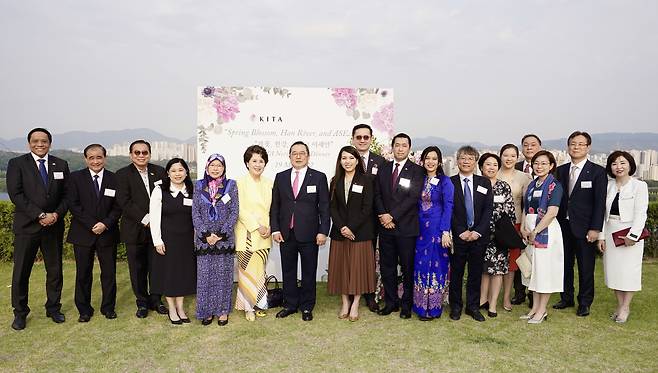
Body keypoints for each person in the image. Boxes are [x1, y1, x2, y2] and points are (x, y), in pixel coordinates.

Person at [7, 128, 70, 330]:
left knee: (54, 271)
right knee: (21, 272)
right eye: (35, 141)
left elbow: (67, 196)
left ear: (50, 143)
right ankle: (20, 313)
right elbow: (16, 194)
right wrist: (40, 215)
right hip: (27, 227)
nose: (40, 144)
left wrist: (56, 215)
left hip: (54, 226)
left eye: (44, 141)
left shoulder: (60, 164)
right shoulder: (17, 164)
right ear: (29, 143)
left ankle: (53, 308)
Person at [271, 141, 330, 322]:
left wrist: (323, 231)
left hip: (310, 234)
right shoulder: (280, 177)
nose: (298, 156)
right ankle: (290, 304)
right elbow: (275, 206)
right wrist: (275, 229)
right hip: (286, 234)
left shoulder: (319, 177)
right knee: (288, 271)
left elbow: (325, 208)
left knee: (308, 272)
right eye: (294, 153)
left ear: (308, 156)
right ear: (289, 156)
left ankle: (306, 306)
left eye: (302, 153)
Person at [66, 144, 121, 322]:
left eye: (99, 157)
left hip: (107, 233)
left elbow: (118, 206)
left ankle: (108, 307)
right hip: (83, 233)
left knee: (109, 273)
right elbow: (73, 205)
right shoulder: (75, 178)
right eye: (91, 157)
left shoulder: (115, 179)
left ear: (105, 158)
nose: (95, 161)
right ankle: (84, 309)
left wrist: (105, 224)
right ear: (86, 159)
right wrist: (92, 224)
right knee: (83, 273)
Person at [555, 131, 606, 317]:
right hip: (563, 226)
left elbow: (600, 203)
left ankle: (584, 302)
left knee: (586, 267)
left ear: (588, 147)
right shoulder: (560, 170)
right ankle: (566, 297)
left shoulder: (597, 171)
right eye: (572, 144)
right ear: (568, 147)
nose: (576, 147)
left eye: (580, 144)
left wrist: (595, 228)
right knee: (565, 264)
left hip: (585, 228)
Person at [374, 133, 424, 319]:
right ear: (392, 147)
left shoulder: (417, 170)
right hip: (385, 228)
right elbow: (377, 194)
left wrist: (392, 216)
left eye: (404, 145)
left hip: (406, 228)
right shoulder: (384, 168)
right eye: (397, 145)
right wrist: (383, 216)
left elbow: (413, 197)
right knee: (387, 267)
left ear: (409, 148)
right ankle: (391, 302)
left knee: (407, 267)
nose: (400, 148)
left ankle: (406, 304)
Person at [116, 140, 167, 318]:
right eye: (137, 152)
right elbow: (124, 201)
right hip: (134, 229)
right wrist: (146, 219)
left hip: (157, 231)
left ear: (149, 154)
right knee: (137, 269)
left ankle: (156, 300)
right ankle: (142, 303)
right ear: (131, 155)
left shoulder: (159, 172)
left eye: (144, 152)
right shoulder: (122, 174)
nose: (141, 155)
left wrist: (157, 221)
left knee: (156, 267)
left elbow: (165, 197)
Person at [597, 151, 649, 323]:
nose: (618, 167)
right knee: (614, 272)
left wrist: (633, 235)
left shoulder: (639, 186)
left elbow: (641, 214)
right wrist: (601, 237)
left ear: (630, 165)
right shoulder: (608, 185)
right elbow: (602, 214)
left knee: (629, 272)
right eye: (614, 164)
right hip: (611, 231)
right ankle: (619, 305)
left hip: (629, 233)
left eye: (622, 163)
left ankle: (626, 307)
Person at [327, 146, 376, 322]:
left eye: (351, 158)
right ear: (340, 161)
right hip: (340, 233)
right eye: (344, 158)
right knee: (341, 268)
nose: (347, 161)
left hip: (360, 232)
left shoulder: (367, 180)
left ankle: (355, 303)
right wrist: (342, 227)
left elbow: (367, 208)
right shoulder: (335, 181)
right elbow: (331, 207)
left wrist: (351, 228)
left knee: (357, 269)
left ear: (357, 160)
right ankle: (345, 303)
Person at [192, 154, 239, 326]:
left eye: (219, 165)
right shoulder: (198, 186)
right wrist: (206, 234)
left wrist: (220, 234)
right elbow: (195, 212)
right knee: (205, 277)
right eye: (212, 165)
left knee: (223, 277)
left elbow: (235, 212)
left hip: (224, 240)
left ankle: (222, 311)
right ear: (207, 167)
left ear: (224, 168)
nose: (216, 168)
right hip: (204, 240)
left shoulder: (230, 185)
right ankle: (206, 311)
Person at [449, 145, 494, 322]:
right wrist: (460, 231)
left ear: (475, 162)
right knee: (457, 274)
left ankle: (473, 307)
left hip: (478, 238)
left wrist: (477, 232)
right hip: (458, 237)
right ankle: (456, 306)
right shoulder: (449, 182)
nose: (466, 161)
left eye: (470, 158)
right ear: (457, 161)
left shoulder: (484, 183)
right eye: (462, 158)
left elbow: (488, 210)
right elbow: (448, 209)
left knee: (475, 274)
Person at [150, 158, 197, 324]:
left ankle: (181, 308)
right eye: (174, 170)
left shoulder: (192, 190)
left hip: (186, 240)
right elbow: (154, 217)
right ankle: (172, 308)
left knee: (182, 273)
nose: (178, 173)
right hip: (167, 240)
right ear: (168, 173)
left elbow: (196, 217)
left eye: (181, 170)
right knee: (169, 274)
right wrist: (157, 241)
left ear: (186, 172)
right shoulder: (159, 190)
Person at [520, 150, 564, 324]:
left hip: (545, 231)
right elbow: (525, 208)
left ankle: (542, 310)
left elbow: (552, 212)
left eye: (544, 163)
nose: (539, 166)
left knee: (544, 272)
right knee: (534, 272)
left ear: (551, 166)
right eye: (536, 163)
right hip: (530, 230)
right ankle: (534, 309)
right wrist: (524, 227)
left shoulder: (555, 185)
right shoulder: (532, 185)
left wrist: (536, 231)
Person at [412, 146, 453, 320]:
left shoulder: (445, 182)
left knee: (437, 264)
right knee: (420, 264)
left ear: (439, 161)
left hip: (437, 229)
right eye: (427, 158)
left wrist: (445, 231)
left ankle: (434, 307)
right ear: (422, 160)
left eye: (434, 159)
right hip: (419, 229)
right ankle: (421, 307)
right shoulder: (417, 179)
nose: (430, 162)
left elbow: (449, 206)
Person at [234, 146, 272, 322]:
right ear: (247, 163)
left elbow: (274, 209)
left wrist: (270, 227)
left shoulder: (270, 183)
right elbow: (239, 209)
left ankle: (259, 304)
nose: (258, 164)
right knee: (246, 272)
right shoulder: (238, 183)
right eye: (254, 161)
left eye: (261, 161)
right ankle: (248, 307)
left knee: (260, 272)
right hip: (246, 235)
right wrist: (257, 227)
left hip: (265, 236)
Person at [351, 123, 385, 312]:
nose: (362, 140)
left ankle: (370, 294)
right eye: (359, 137)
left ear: (371, 139)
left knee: (369, 258)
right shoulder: (346, 159)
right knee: (351, 258)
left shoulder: (380, 162)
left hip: (372, 220)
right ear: (353, 139)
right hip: (351, 221)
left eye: (366, 137)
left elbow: (383, 192)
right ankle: (350, 290)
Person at [478, 153, 516, 318]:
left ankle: (493, 304)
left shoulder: (503, 186)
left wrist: (503, 231)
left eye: (495, 164)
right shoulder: (476, 184)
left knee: (498, 271)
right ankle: (481, 300)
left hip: (499, 236)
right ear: (481, 167)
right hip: (479, 234)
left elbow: (511, 212)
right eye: (488, 164)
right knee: (483, 270)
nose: (491, 167)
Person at [497, 144, 532, 312]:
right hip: (494, 225)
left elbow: (528, 205)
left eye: (512, 155)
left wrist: (524, 226)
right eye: (505, 155)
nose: (509, 158)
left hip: (515, 223)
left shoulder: (525, 177)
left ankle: (506, 298)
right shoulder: (492, 173)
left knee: (511, 264)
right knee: (493, 262)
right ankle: (490, 297)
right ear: (500, 156)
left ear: (517, 157)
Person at [512, 134, 541, 307]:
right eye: (525, 145)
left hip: (540, 221)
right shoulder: (515, 167)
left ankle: (534, 294)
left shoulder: (547, 167)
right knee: (518, 255)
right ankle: (519, 292)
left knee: (536, 258)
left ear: (540, 146)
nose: (529, 148)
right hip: (518, 219)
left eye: (533, 145)